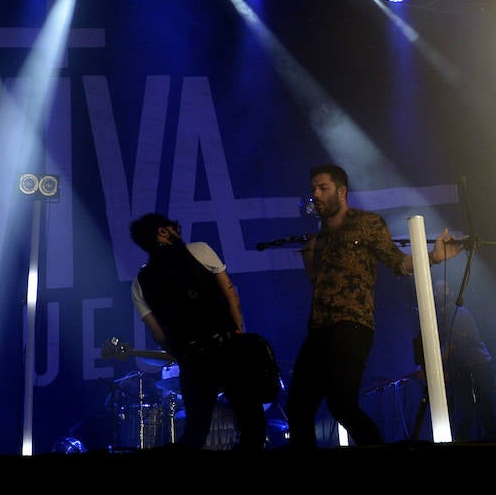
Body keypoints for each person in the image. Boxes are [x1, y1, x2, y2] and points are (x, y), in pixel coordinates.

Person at [285, 163, 465, 448]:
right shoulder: (318, 237)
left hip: (352, 325)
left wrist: (431, 257)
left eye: (323, 188)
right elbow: (317, 284)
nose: (316, 195)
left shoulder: (367, 224)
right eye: (313, 190)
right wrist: (310, 256)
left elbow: (397, 262)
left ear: (341, 191)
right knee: (298, 408)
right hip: (319, 328)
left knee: (341, 403)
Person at [129, 213, 270, 451]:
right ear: (163, 232)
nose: (179, 233)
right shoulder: (200, 250)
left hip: (192, 358)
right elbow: (230, 295)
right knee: (252, 424)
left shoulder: (139, 282)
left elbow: (158, 333)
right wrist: (238, 333)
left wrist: (182, 353)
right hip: (226, 346)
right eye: (176, 228)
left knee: (195, 431)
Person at [429, 278, 496, 442]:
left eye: (445, 288)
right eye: (438, 289)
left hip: (478, 365)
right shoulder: (441, 317)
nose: (441, 291)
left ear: (452, 292)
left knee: (484, 409)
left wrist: (437, 365)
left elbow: (452, 343)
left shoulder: (459, 312)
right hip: (462, 369)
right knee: (464, 411)